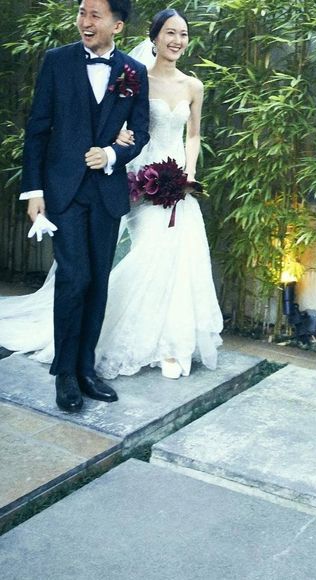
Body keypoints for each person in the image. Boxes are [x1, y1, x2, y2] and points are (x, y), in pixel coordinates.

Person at [0, 9, 223, 388]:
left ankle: (129, 356)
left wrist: (180, 172)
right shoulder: (100, 69)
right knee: (104, 267)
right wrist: (39, 188)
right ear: (154, 37)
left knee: (140, 269)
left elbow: (168, 132)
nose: (177, 40)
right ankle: (78, 364)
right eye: (170, 33)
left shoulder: (165, 79)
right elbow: (62, 126)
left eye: (183, 34)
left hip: (146, 185)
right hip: (102, 184)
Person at [16, 0, 150, 413]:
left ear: (117, 25)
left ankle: (86, 368)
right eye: (81, 12)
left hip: (106, 193)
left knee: (97, 282)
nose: (84, 22)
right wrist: (33, 191)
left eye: (95, 15)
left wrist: (112, 154)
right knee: (74, 278)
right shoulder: (56, 61)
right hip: (63, 191)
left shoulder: (134, 71)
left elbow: (140, 130)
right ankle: (65, 374)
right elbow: (37, 130)